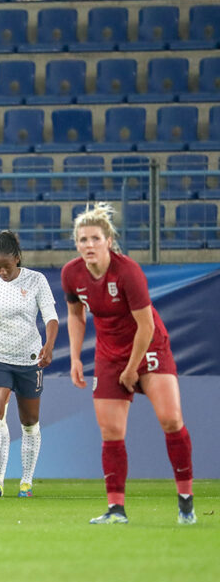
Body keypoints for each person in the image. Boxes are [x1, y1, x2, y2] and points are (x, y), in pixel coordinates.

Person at [62, 203, 195, 525]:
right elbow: (76, 315)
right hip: (109, 354)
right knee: (110, 431)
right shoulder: (72, 273)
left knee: (170, 420)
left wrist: (133, 368)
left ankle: (185, 500)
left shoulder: (127, 272)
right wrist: (77, 357)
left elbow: (146, 326)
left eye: (95, 238)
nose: (88, 245)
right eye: (83, 240)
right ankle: (116, 509)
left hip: (149, 348)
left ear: (108, 241)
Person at [0, 231, 58, 498]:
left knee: (29, 422)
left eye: (7, 267)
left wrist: (49, 345)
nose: (3, 273)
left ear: (17, 259)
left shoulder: (36, 280)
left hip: (29, 359)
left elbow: (51, 317)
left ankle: (26, 481)